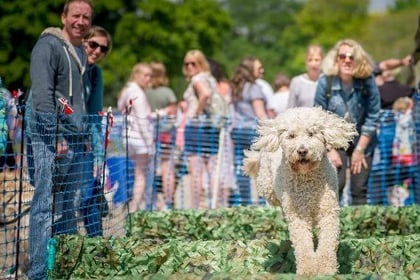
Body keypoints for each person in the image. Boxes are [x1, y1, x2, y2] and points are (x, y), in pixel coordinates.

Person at [27, 0, 93, 279]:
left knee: (67, 205)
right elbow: (43, 95)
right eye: (76, 15)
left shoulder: (80, 51)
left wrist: (85, 132)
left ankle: (63, 268)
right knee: (45, 204)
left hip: (74, 136)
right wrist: (54, 136)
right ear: (64, 17)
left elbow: (76, 101)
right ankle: (39, 273)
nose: (81, 21)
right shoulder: (49, 46)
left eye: (86, 17)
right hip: (50, 134)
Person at [314, 38, 380, 205]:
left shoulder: (368, 81)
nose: (347, 60)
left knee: (359, 189)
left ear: (358, 60)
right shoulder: (325, 81)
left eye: (352, 57)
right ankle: (333, 229)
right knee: (336, 185)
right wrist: (329, 149)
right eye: (343, 56)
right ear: (336, 59)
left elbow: (373, 116)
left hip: (363, 140)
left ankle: (361, 229)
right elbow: (318, 116)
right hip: (334, 140)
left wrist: (360, 150)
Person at [80, 25, 112, 237]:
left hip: (83, 144)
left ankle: (96, 248)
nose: (97, 51)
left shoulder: (95, 73)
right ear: (83, 42)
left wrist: (98, 158)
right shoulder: (67, 66)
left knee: (90, 194)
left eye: (103, 48)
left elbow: (94, 116)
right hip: (55, 139)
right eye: (93, 44)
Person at [182, 49, 220, 209]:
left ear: (201, 64)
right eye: (187, 63)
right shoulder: (210, 78)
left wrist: (195, 113)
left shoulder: (198, 79)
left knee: (196, 171)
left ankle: (198, 209)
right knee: (211, 169)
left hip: (197, 128)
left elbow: (205, 94)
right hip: (211, 127)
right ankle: (214, 206)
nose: (190, 67)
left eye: (194, 63)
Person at [230, 56, 268, 206]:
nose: (262, 71)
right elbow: (260, 113)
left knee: (241, 166)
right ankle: (261, 201)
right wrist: (270, 129)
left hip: (237, 131)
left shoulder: (237, 87)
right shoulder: (254, 87)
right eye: (259, 68)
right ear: (251, 70)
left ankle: (244, 201)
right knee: (260, 164)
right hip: (252, 130)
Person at [117, 63, 153, 213]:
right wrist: (150, 142)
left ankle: (132, 204)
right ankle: (134, 207)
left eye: (150, 75)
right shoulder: (137, 92)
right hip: (139, 138)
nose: (148, 78)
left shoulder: (126, 90)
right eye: (145, 75)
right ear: (136, 75)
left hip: (127, 136)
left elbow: (120, 107)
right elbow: (142, 118)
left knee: (134, 173)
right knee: (141, 175)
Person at [145, 61, 177, 210]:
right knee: (166, 168)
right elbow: (173, 113)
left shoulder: (145, 91)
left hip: (149, 133)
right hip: (165, 134)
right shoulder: (167, 92)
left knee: (149, 168)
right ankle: (168, 202)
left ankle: (152, 201)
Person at [287, 44, 324, 108]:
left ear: (322, 61)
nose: (313, 63)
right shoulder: (296, 82)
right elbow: (290, 107)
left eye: (316, 60)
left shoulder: (327, 80)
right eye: (310, 60)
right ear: (306, 62)